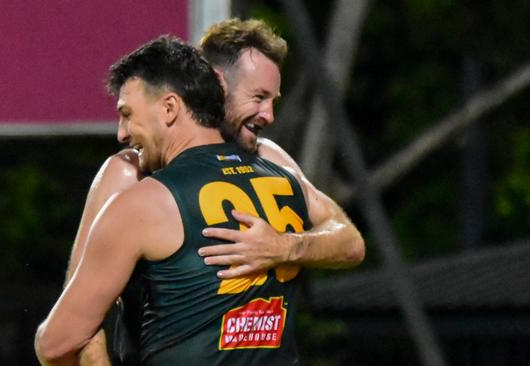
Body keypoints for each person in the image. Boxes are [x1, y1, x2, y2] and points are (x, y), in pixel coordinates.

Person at [65, 19, 364, 365]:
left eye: (273, 100)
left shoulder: (268, 157)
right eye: (259, 97)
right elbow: (81, 323)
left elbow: (350, 243)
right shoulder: (130, 171)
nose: (268, 114)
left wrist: (285, 246)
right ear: (218, 85)